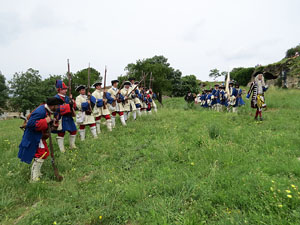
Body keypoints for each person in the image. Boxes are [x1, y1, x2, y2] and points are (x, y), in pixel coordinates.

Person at [18, 97, 64, 182]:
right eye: (57, 106)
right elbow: (30, 124)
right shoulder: (41, 111)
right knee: (41, 154)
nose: (58, 107)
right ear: (52, 106)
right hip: (34, 136)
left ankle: (37, 174)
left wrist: (51, 122)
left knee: (44, 153)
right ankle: (34, 178)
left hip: (39, 136)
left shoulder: (46, 111)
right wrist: (45, 121)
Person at [54, 80, 77, 153]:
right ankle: (62, 149)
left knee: (73, 130)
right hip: (61, 117)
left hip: (69, 117)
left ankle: (72, 145)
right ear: (59, 89)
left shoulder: (67, 98)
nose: (66, 90)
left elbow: (74, 107)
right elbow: (56, 108)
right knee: (61, 133)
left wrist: (72, 102)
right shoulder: (56, 98)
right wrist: (68, 105)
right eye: (64, 89)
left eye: (66, 89)